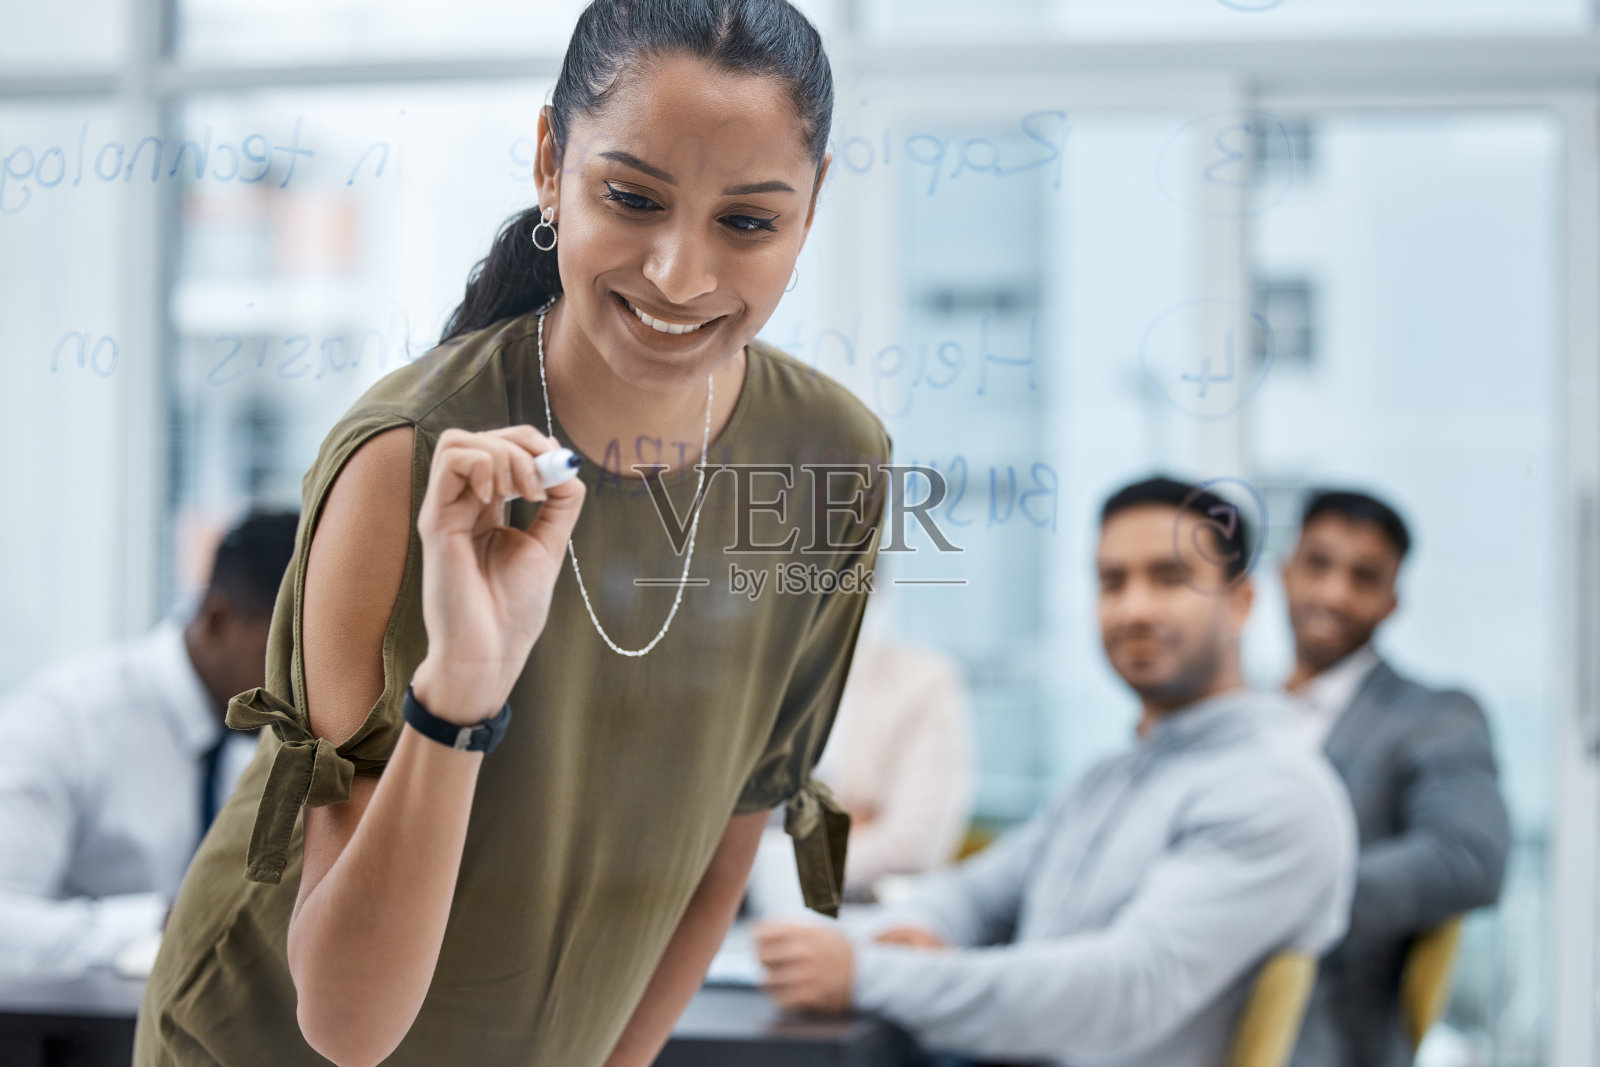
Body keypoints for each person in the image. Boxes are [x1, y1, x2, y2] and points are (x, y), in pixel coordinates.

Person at [134, 4, 890, 1065]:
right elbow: (345, 1023)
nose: (680, 273)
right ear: (550, 162)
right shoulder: (405, 456)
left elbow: (729, 839)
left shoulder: (830, 462)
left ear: (809, 212)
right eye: (632, 198)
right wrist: (459, 690)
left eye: (749, 222)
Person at [753, 477, 1357, 1067]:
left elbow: (1124, 989)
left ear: (1241, 602)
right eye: (1113, 582)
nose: (1134, 608)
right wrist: (914, 930)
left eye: (1169, 578)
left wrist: (868, 975)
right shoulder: (1112, 779)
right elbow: (974, 896)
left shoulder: (1274, 791)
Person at [0, 510, 298, 978]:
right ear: (218, 621)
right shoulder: (63, 720)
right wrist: (169, 921)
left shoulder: (276, 741)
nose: (308, 685)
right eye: (295, 654)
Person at [1281, 490, 1509, 1067]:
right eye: (1318, 565)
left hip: (1324, 1035)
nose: (1334, 593)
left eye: (1364, 577)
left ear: (1392, 601)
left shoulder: (1436, 717)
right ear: (1286, 573)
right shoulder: (1246, 718)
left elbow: (1467, 857)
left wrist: (1281, 896)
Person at [746, 624, 974, 914]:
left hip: (856, 912)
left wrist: (748, 853)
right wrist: (844, 824)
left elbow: (912, 845)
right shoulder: (744, 674)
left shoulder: (920, 680)